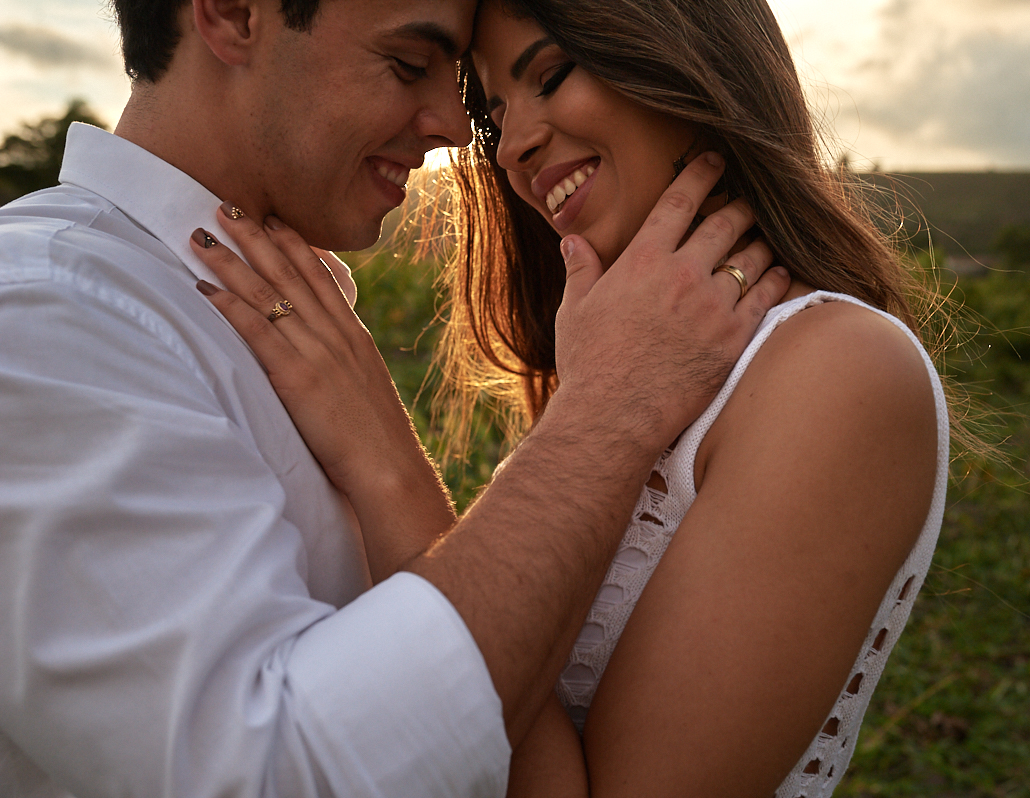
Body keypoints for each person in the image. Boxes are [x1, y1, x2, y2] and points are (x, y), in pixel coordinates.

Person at [0, 0, 790, 794]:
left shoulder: (277, 316)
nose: (457, 126)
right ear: (235, 15)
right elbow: (270, 775)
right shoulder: (44, 309)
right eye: (409, 64)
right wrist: (608, 413)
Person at [190, 0, 969, 796]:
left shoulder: (837, 370)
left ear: (683, 52)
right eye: (492, 118)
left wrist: (385, 459)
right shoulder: (634, 360)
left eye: (553, 75)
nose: (513, 146)